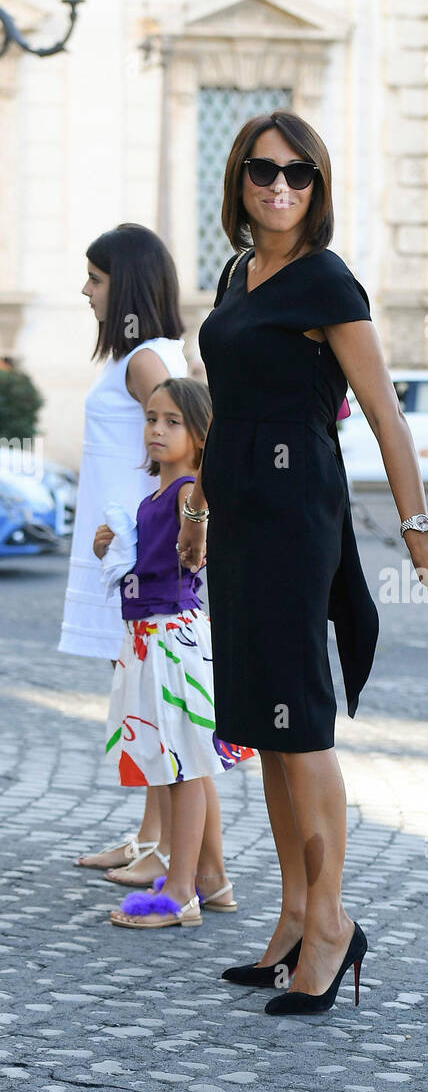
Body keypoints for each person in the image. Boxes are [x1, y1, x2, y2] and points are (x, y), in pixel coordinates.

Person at [178, 110, 428, 1013]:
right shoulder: (237, 272)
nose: (280, 187)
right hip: (241, 518)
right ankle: (295, 913)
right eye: (263, 171)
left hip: (299, 518)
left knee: (302, 727)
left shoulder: (327, 280)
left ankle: (333, 920)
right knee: (263, 725)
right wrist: (199, 503)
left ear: (318, 187)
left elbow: (385, 414)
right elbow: (230, 407)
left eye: (298, 174)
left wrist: (418, 536)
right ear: (240, 182)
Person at [94, 377, 254, 929]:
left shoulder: (189, 494)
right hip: (148, 640)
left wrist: (199, 518)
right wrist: (113, 548)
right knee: (190, 763)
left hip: (172, 643)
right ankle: (212, 879)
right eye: (151, 419)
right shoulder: (156, 496)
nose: (157, 430)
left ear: (201, 436)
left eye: (173, 422)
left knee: (181, 769)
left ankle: (180, 892)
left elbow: (197, 540)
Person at [64, 224, 187, 884]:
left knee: (153, 697)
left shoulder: (147, 359)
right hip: (130, 552)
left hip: (143, 557)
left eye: (97, 278)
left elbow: (188, 440)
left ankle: (167, 851)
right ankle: (149, 836)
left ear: (128, 284)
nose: (86, 290)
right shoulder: (138, 355)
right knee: (139, 692)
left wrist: (148, 532)